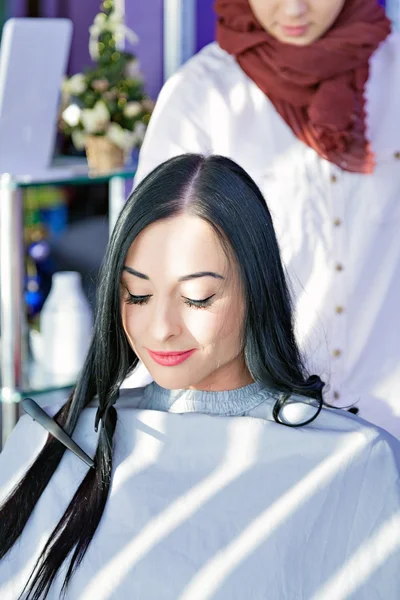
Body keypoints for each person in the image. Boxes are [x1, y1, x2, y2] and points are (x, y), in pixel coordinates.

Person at [0, 154, 399, 599]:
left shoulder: (354, 462)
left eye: (197, 298)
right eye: (138, 295)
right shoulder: (54, 441)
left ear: (257, 289)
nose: (160, 328)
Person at [133, 0, 400, 438]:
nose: (293, 9)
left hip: (388, 411)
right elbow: (153, 268)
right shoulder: (204, 95)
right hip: (258, 423)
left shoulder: (395, 74)